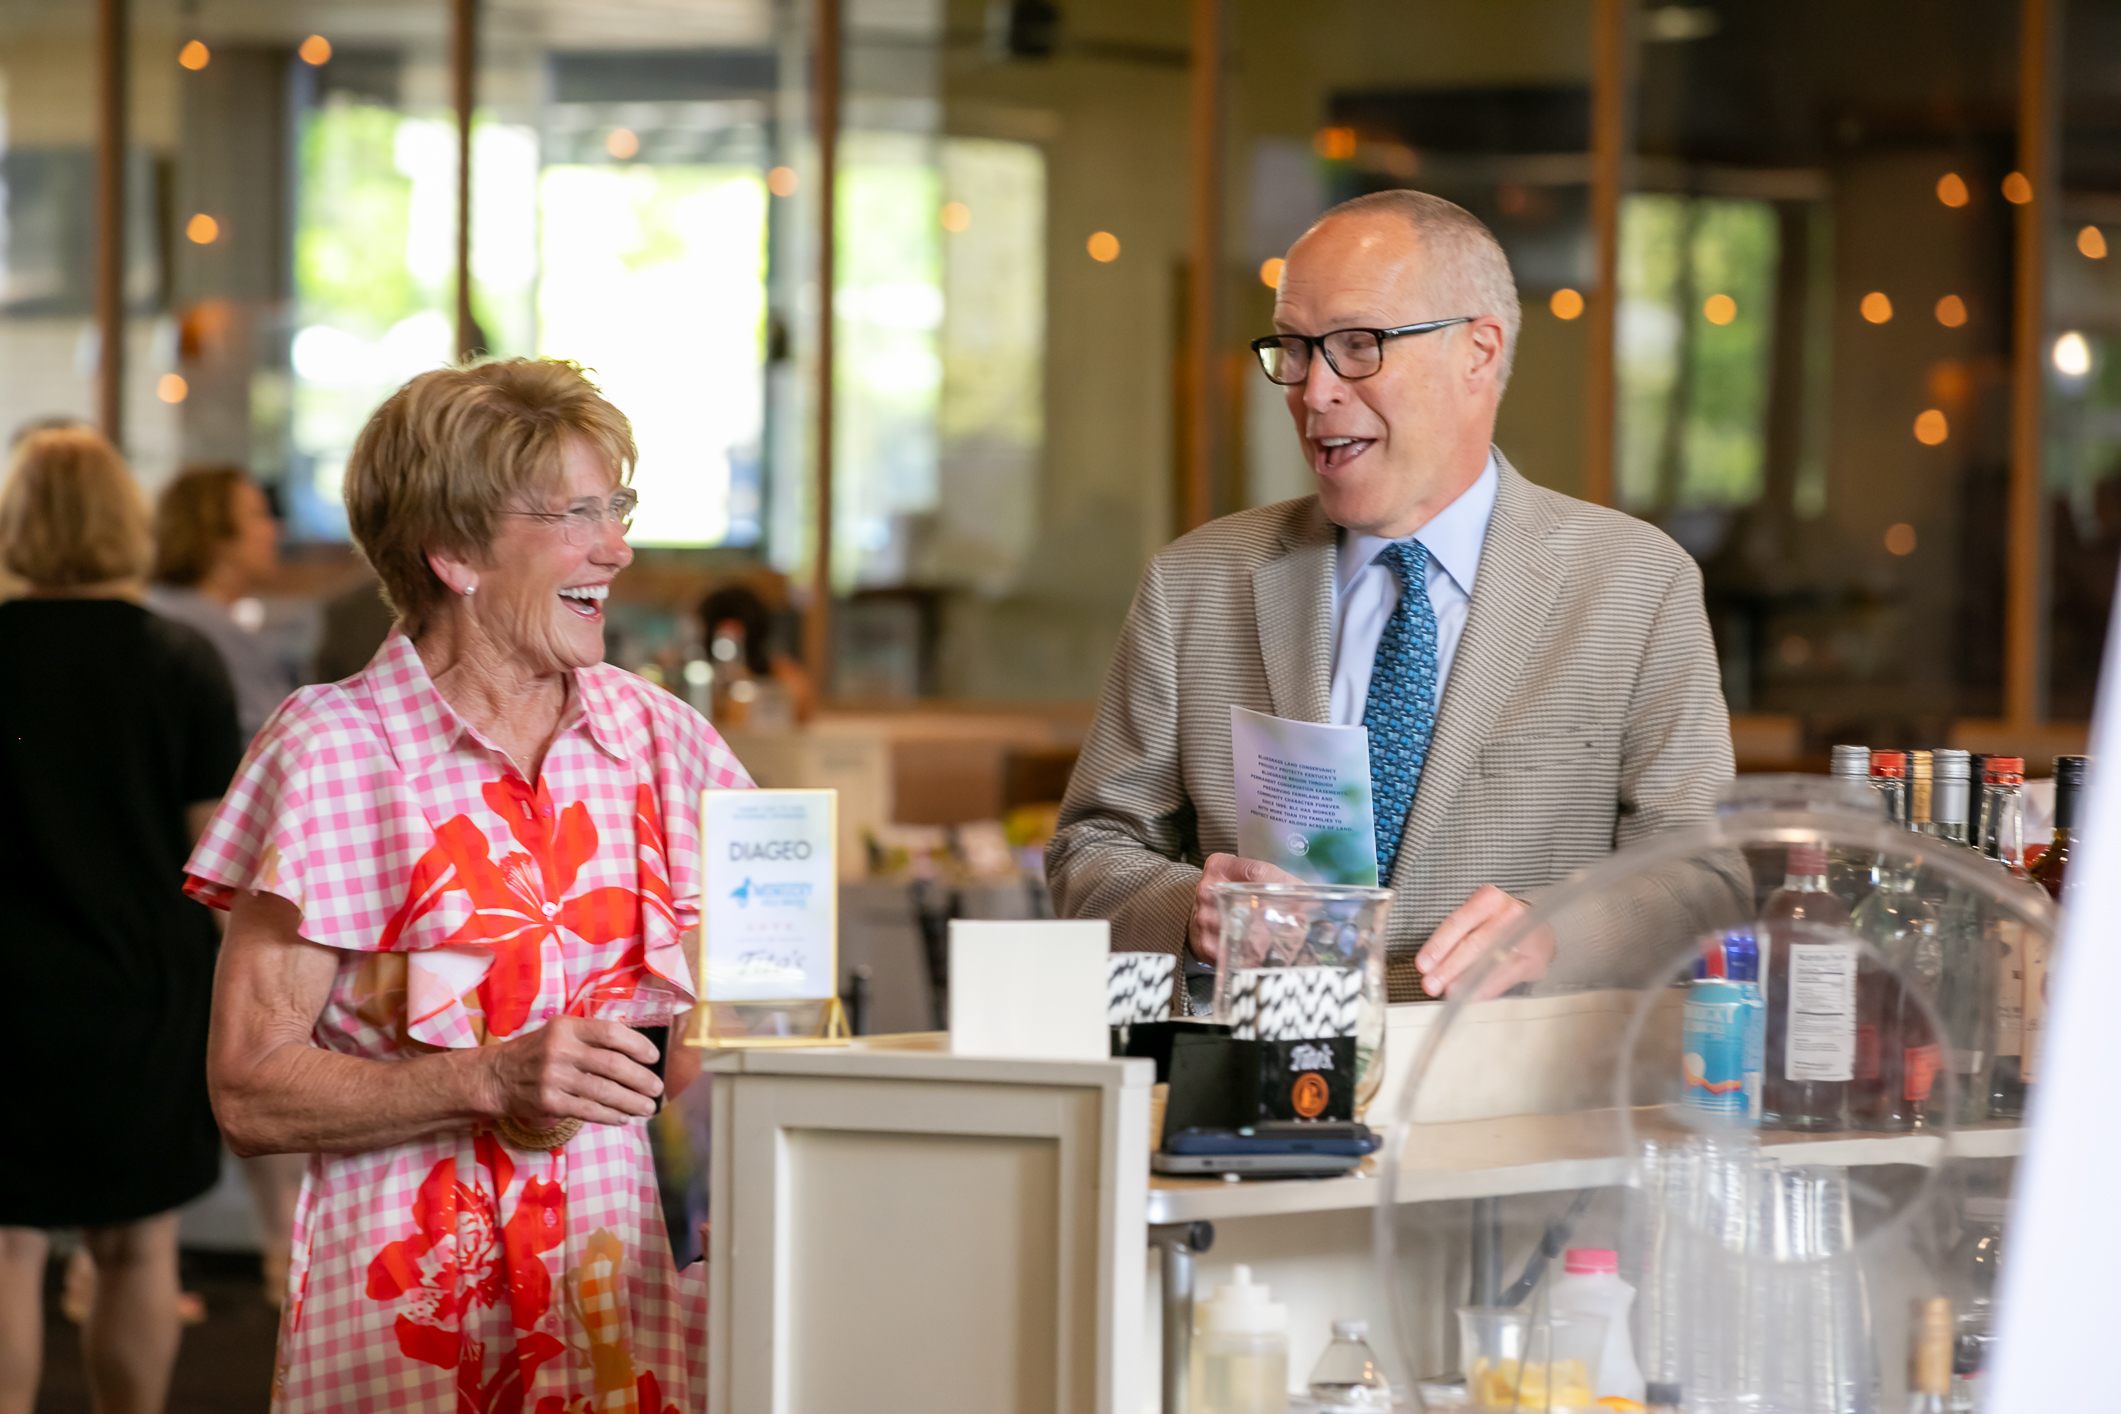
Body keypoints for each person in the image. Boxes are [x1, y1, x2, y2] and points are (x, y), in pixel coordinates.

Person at [189, 359, 751, 1412]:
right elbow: (249, 1089)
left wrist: (753, 1184)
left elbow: (745, 1025)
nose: (617, 548)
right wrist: (485, 1079)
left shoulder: (662, 742)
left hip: (616, 1298)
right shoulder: (332, 753)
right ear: (453, 553)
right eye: (575, 514)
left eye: (616, 507)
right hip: (411, 1322)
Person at [1048, 190, 1737, 1002]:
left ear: (1477, 351)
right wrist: (1190, 910)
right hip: (1263, 1071)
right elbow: (1088, 852)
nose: (1314, 391)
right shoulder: (1194, 583)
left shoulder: (1635, 584)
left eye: (1357, 345)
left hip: (1510, 1070)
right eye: (1295, 349)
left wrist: (1553, 934)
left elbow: (1702, 879)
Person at [0, 428, 245, 1414]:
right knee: (140, 1242)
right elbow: (215, 860)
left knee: (6, 1244)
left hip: (4, 991)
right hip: (144, 989)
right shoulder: (178, 658)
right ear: (124, 521)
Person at [145, 465, 308, 1307]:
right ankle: (282, 1264)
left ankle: (276, 1260)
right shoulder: (191, 635)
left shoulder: (199, 628)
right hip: (212, 898)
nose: (270, 528)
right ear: (211, 529)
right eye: (254, 514)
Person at [148, 464, 297, 739]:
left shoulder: (170, 610)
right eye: (259, 515)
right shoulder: (203, 630)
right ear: (214, 535)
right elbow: (270, 741)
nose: (276, 530)